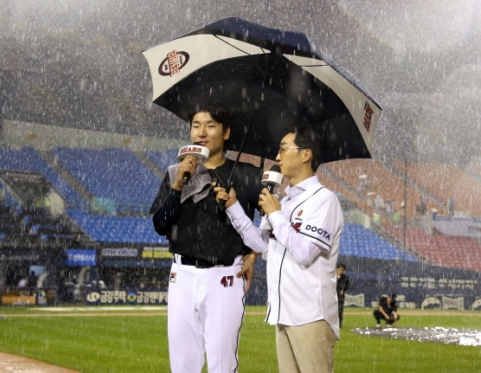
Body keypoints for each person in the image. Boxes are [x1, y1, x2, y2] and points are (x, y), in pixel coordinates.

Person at [214, 126, 344, 373]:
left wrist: (275, 215)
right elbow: (261, 243)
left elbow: (305, 253)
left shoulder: (324, 200)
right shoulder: (284, 202)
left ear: (306, 155)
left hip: (310, 316)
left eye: (284, 149)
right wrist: (233, 206)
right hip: (283, 314)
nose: (277, 157)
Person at [150, 103, 261, 373]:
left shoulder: (246, 174)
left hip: (225, 276)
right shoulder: (175, 173)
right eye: (196, 125)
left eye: (210, 125)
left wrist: (254, 253)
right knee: (183, 365)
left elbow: (271, 222)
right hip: (181, 275)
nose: (202, 132)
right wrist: (178, 187)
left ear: (226, 133)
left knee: (222, 365)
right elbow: (160, 224)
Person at [336, 263, 350, 328]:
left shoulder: (345, 278)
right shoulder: (332, 276)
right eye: (340, 269)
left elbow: (347, 285)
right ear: (337, 268)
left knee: (339, 310)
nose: (341, 271)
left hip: (340, 297)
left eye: (343, 270)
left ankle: (339, 325)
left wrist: (343, 290)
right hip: (331, 296)